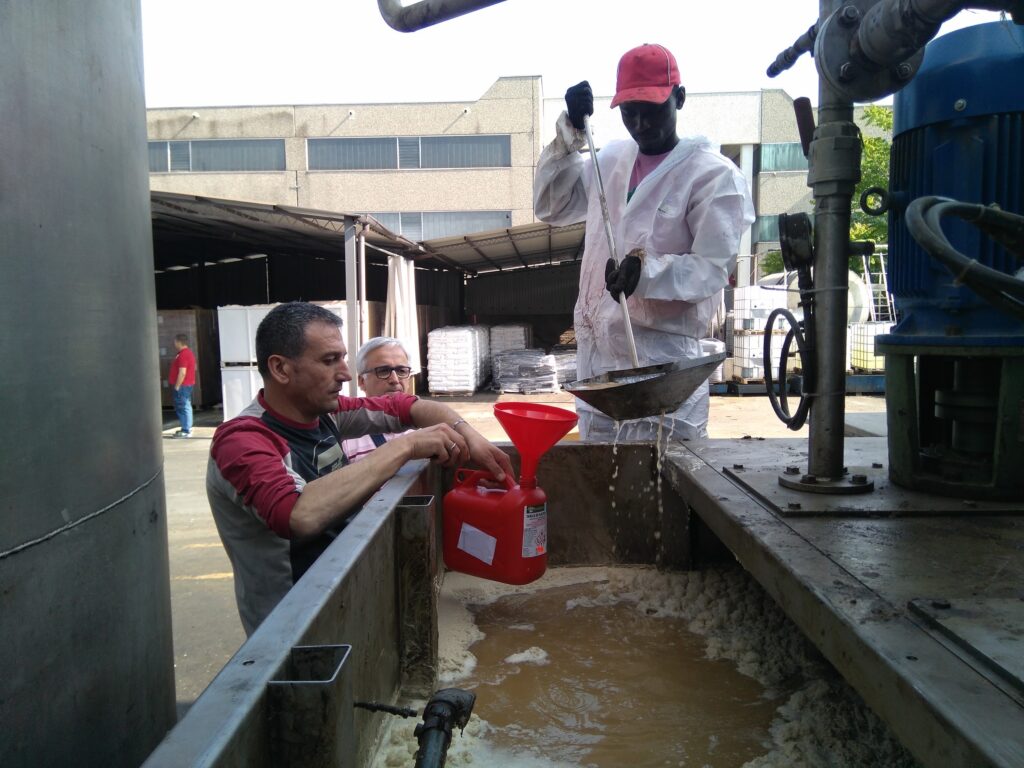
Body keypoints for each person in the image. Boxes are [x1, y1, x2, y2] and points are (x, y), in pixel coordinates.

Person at [206, 302, 513, 635]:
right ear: (280, 369)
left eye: (343, 358)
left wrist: (469, 433)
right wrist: (406, 446)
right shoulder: (243, 440)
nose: (345, 374)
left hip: (348, 601)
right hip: (297, 632)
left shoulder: (324, 413)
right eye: (329, 360)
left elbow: (405, 406)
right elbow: (298, 513)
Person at [534, 43, 754, 441]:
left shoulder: (712, 177)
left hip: (665, 368)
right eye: (630, 112)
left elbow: (711, 268)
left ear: (679, 98)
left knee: (660, 489)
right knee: (602, 485)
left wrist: (646, 272)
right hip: (598, 367)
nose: (640, 123)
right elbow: (552, 205)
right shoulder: (612, 161)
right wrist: (572, 133)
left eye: (652, 110)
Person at [341, 336, 415, 463]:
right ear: (362, 381)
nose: (395, 380)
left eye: (401, 371)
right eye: (383, 371)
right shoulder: (346, 440)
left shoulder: (424, 427)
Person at [170, 333, 196, 438]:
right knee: (185, 405)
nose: (174, 343)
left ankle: (186, 430)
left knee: (183, 406)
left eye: (175, 341)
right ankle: (186, 428)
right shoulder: (188, 353)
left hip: (182, 385)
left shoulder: (183, 355)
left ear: (179, 342)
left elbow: (182, 372)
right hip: (187, 384)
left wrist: (177, 385)